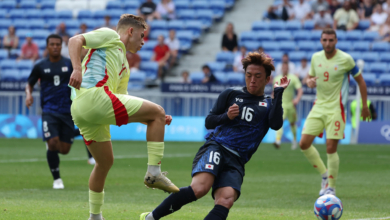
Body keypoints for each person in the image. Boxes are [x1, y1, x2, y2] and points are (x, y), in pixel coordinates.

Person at [139, 52, 288, 220]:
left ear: (267, 79)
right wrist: (227, 117)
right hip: (217, 147)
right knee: (199, 188)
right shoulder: (231, 95)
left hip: (237, 160)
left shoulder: (269, 104)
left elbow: (276, 124)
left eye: (258, 76)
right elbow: (209, 122)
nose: (252, 79)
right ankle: (150, 218)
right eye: (248, 75)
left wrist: (279, 92)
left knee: (226, 199)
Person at [67, 14, 179, 220]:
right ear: (130, 31)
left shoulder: (124, 65)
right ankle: (154, 173)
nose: (144, 41)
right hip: (94, 97)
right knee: (157, 112)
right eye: (142, 36)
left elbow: (122, 103)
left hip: (82, 108)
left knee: (105, 162)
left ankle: (95, 216)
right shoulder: (110, 36)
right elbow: (75, 40)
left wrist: (154, 119)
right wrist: (76, 68)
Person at [299, 28, 370, 196]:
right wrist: (308, 82)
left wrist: (365, 106)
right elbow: (307, 78)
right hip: (318, 106)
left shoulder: (346, 59)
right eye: (325, 40)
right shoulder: (316, 58)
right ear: (321, 41)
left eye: (331, 40)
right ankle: (324, 175)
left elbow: (361, 81)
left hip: (336, 109)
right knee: (303, 144)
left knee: (330, 148)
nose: (328, 43)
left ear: (336, 41)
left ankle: (331, 187)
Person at [25, 34, 95, 190]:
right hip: (49, 110)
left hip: (68, 111)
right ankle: (57, 179)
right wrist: (28, 95)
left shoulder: (69, 64)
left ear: (61, 46)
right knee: (52, 143)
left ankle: (64, 138)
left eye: (58, 44)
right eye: (52, 44)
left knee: (64, 149)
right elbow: (29, 84)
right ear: (47, 46)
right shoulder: (40, 66)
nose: (55, 46)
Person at [273, 62, 303, 150]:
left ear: (288, 68)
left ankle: (294, 141)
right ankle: (278, 140)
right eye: (283, 67)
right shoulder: (277, 78)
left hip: (291, 105)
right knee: (280, 122)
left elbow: (300, 90)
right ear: (281, 68)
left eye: (286, 67)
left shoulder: (293, 78)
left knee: (292, 123)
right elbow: (273, 92)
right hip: (281, 105)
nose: (285, 69)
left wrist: (297, 99)